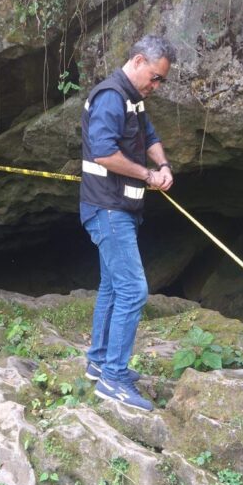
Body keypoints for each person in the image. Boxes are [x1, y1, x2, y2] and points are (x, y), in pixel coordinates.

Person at [80, 35, 176, 412]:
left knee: (112, 287)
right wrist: (147, 175)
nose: (156, 86)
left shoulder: (133, 99)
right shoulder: (110, 97)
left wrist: (163, 165)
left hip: (121, 208)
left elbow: (149, 136)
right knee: (134, 290)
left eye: (161, 81)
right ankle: (114, 379)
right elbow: (104, 152)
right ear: (138, 61)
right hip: (107, 209)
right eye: (155, 77)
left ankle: (99, 361)